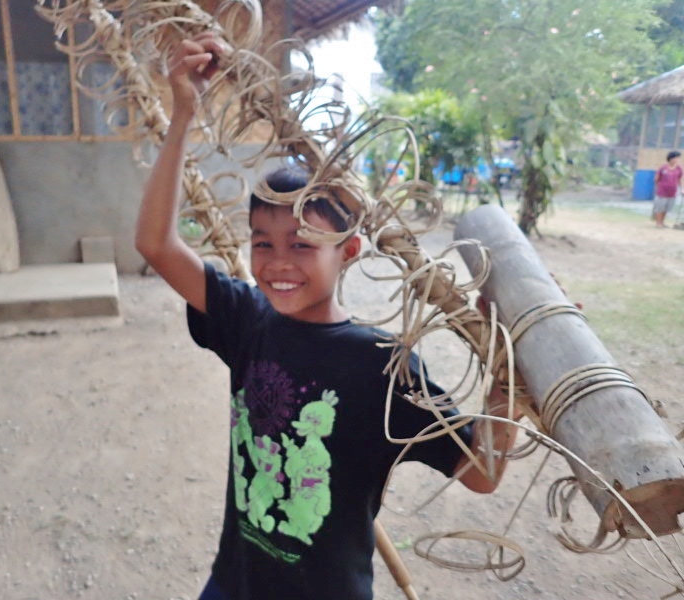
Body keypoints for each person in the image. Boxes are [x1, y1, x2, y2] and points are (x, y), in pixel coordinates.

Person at [135, 32, 520, 600]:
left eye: (302, 243)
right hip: (234, 585)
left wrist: (508, 379)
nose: (278, 263)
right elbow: (156, 245)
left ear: (350, 250)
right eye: (262, 243)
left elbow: (480, 472)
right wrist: (183, 115)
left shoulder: (381, 365)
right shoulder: (246, 319)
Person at [653, 151, 682, 228]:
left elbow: (680, 179)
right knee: (660, 207)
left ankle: (662, 222)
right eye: (676, 158)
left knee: (667, 208)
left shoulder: (679, 169)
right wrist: (659, 187)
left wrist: (682, 189)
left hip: (672, 192)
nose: (677, 160)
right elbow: (656, 179)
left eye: (678, 158)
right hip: (662, 192)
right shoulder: (663, 168)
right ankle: (658, 223)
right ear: (671, 158)